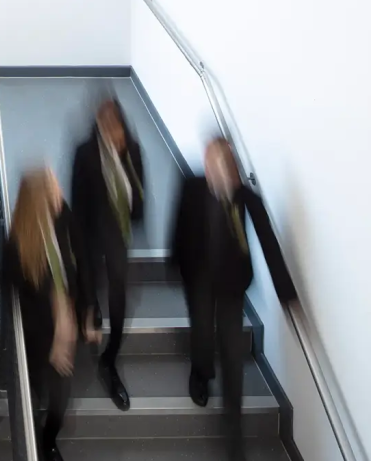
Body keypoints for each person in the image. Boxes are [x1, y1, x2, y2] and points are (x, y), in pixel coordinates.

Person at [170, 137, 297, 461]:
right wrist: (174, 263)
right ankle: (200, 372)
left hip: (231, 285)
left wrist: (286, 293)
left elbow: (268, 240)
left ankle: (233, 430)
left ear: (232, 171)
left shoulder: (244, 197)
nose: (214, 176)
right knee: (201, 336)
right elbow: (179, 226)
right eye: (210, 167)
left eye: (221, 170)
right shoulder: (192, 186)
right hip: (198, 278)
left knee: (231, 355)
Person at [1, 167, 98, 461]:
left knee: (59, 401)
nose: (61, 193)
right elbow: (16, 294)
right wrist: (55, 330)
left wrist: (88, 313)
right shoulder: (17, 247)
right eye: (54, 189)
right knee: (32, 392)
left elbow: (82, 262)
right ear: (39, 201)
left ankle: (48, 439)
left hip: (66, 325)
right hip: (39, 332)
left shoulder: (63, 216)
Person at [71, 97, 145, 411]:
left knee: (119, 294)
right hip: (90, 231)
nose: (113, 133)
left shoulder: (133, 151)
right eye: (107, 127)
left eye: (117, 127)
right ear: (100, 127)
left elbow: (139, 199)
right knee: (89, 289)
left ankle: (109, 361)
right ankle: (90, 309)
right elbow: (77, 201)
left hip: (117, 233)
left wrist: (124, 159)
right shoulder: (85, 154)